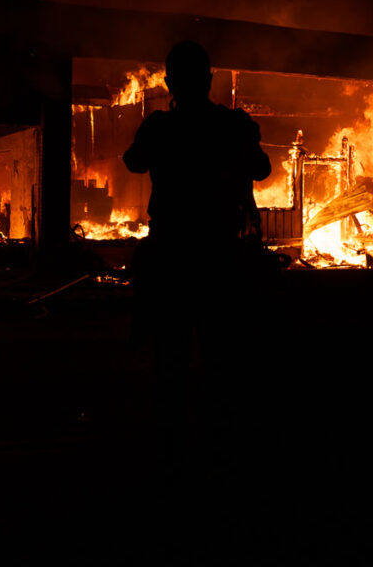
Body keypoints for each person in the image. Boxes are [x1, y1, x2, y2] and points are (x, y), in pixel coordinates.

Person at [123, 41, 271, 486]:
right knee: (222, 355)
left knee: (171, 358)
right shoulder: (231, 127)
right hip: (218, 258)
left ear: (170, 83)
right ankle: (223, 453)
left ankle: (172, 453)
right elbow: (261, 170)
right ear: (208, 81)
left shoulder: (160, 128)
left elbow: (134, 162)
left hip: (172, 256)